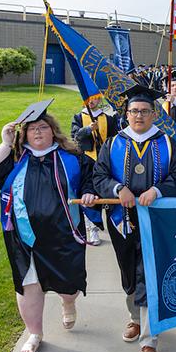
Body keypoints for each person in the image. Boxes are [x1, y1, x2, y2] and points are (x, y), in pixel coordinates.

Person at [0, 100, 98, 352]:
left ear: (53, 131)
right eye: (32, 129)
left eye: (42, 127)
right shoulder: (15, 159)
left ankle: (68, 303)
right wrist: (4, 142)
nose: (37, 132)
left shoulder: (72, 158)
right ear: (24, 134)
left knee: (69, 285)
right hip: (25, 236)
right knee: (28, 284)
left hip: (64, 233)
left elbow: (91, 180)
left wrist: (89, 193)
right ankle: (34, 333)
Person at [93, 85, 176, 352]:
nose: (139, 116)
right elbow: (98, 176)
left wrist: (157, 191)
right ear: (126, 113)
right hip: (120, 218)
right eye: (134, 111)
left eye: (145, 111)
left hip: (156, 220)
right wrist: (116, 189)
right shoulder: (113, 142)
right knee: (127, 270)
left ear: (154, 113)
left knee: (150, 271)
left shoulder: (167, 142)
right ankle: (134, 317)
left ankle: (150, 338)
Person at [71, 96, 121, 246]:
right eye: (88, 100)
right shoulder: (79, 117)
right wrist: (88, 130)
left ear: (99, 100)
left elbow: (115, 138)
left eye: (94, 99)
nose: (91, 102)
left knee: (107, 193)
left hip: (106, 162)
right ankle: (92, 228)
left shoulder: (108, 118)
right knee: (89, 194)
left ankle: (114, 225)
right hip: (87, 161)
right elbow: (75, 136)